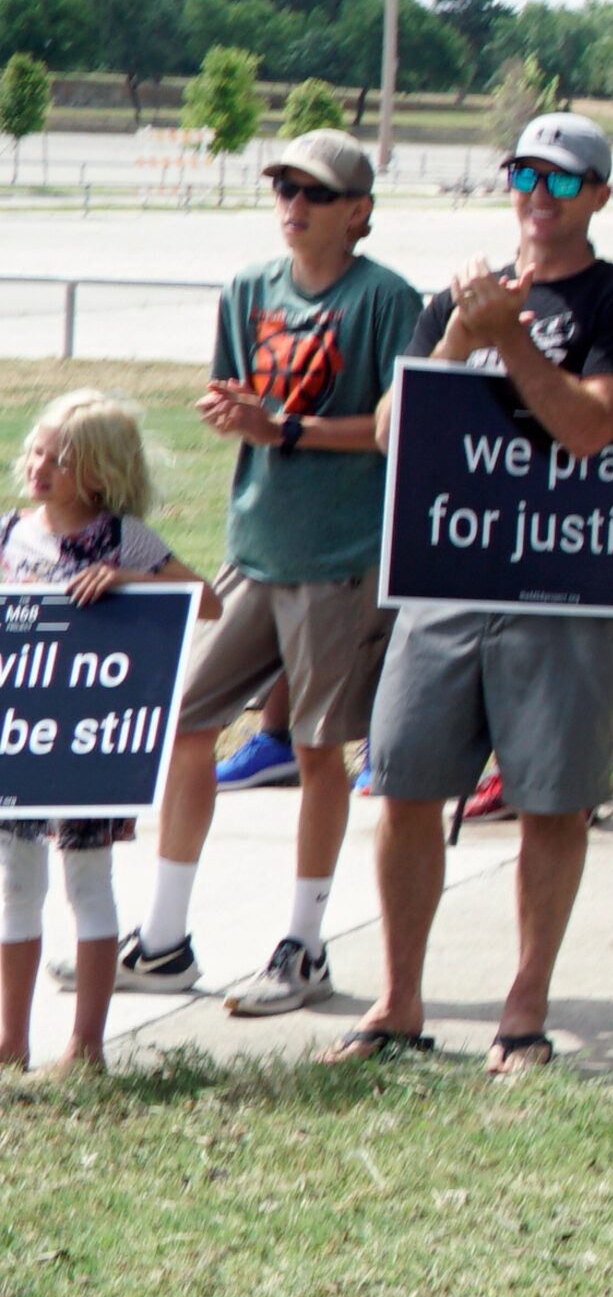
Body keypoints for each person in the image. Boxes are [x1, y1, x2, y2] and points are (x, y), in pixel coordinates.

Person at [341, 110, 613, 1077]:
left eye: (562, 181)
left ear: (599, 196)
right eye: (525, 175)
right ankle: (398, 1004)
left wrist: (512, 341)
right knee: (402, 786)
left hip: (565, 585)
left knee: (552, 804)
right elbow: (393, 432)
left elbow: (587, 429)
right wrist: (459, 337)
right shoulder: (456, 299)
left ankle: (523, 1013)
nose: (539, 195)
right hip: (447, 579)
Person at [126, 129, 417, 1018]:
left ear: (357, 212)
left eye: (315, 193)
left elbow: (393, 426)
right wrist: (236, 414)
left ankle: (305, 945)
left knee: (319, 748)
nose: (294, 206)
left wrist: (283, 427)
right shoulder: (249, 289)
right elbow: (234, 393)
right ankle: (165, 938)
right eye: (284, 188)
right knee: (186, 721)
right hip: (254, 547)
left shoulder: (388, 302)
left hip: (340, 558)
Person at [4, 394, 207, 1074]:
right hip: (20, 746)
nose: (41, 466)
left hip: (90, 747)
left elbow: (206, 599)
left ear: (99, 471)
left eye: (61, 458)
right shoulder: (10, 535)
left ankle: (85, 1045)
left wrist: (129, 581)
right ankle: (11, 1039)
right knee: (15, 889)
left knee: (88, 884)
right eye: (38, 450)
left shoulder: (127, 539)